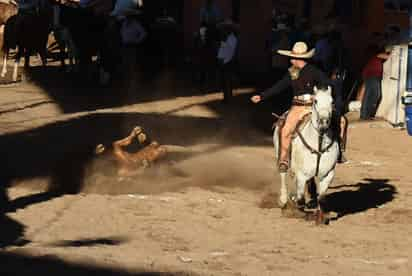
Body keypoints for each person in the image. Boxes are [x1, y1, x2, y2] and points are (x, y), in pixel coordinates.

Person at [250, 41, 335, 172]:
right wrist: (263, 96)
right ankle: (284, 159)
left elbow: (327, 85)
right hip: (297, 107)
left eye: (293, 57)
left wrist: (321, 95)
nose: (290, 60)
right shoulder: (292, 71)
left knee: (339, 122)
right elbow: (280, 86)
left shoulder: (314, 71)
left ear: (298, 59)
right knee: (285, 129)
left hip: (313, 107)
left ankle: (338, 152)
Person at [360, 46, 391, 120]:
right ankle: (365, 115)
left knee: (371, 95)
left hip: (372, 76)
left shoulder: (375, 57)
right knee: (374, 95)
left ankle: (366, 114)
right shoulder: (377, 55)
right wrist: (392, 51)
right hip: (372, 76)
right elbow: (388, 57)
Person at [217, 19, 238, 102]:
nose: (223, 30)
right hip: (224, 61)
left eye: (225, 29)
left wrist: (224, 61)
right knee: (225, 80)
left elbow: (231, 52)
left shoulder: (232, 38)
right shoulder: (226, 38)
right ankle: (226, 97)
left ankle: (228, 98)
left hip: (227, 62)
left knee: (227, 80)